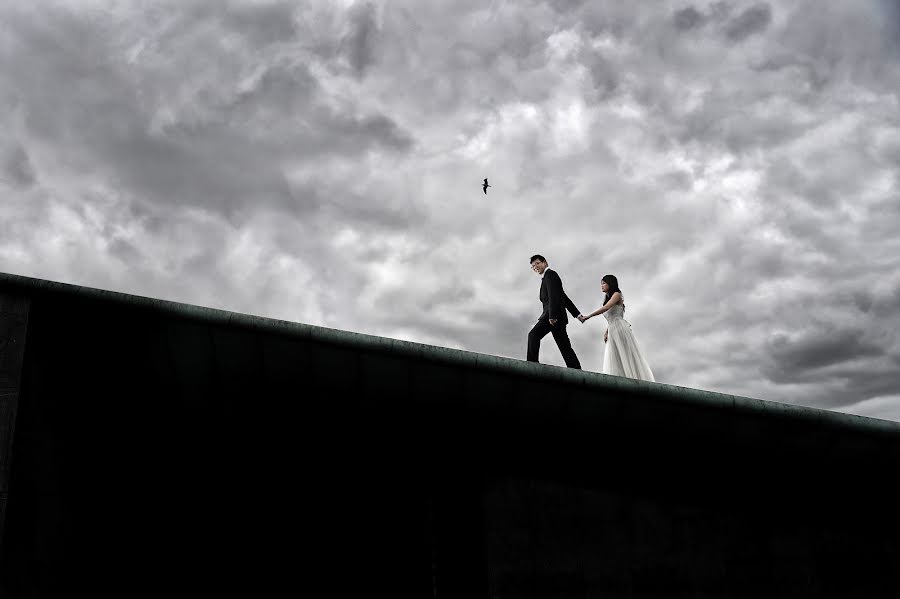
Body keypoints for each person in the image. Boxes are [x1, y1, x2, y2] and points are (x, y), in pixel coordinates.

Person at [578, 275, 654, 381]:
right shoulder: (607, 298)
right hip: (613, 329)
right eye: (601, 283)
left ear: (610, 283)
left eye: (604, 283)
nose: (601, 285)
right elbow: (612, 318)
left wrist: (588, 316)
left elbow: (607, 308)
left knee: (624, 354)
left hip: (620, 329)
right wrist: (607, 331)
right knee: (616, 357)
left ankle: (634, 380)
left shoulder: (617, 295)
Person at [526, 255, 583, 369]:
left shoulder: (550, 275)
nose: (535, 267)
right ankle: (577, 370)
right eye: (533, 266)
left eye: (537, 263)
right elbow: (563, 298)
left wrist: (552, 316)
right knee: (565, 347)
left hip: (551, 317)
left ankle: (531, 366)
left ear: (545, 262)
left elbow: (553, 296)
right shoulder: (547, 277)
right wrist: (578, 315)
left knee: (533, 335)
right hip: (557, 317)